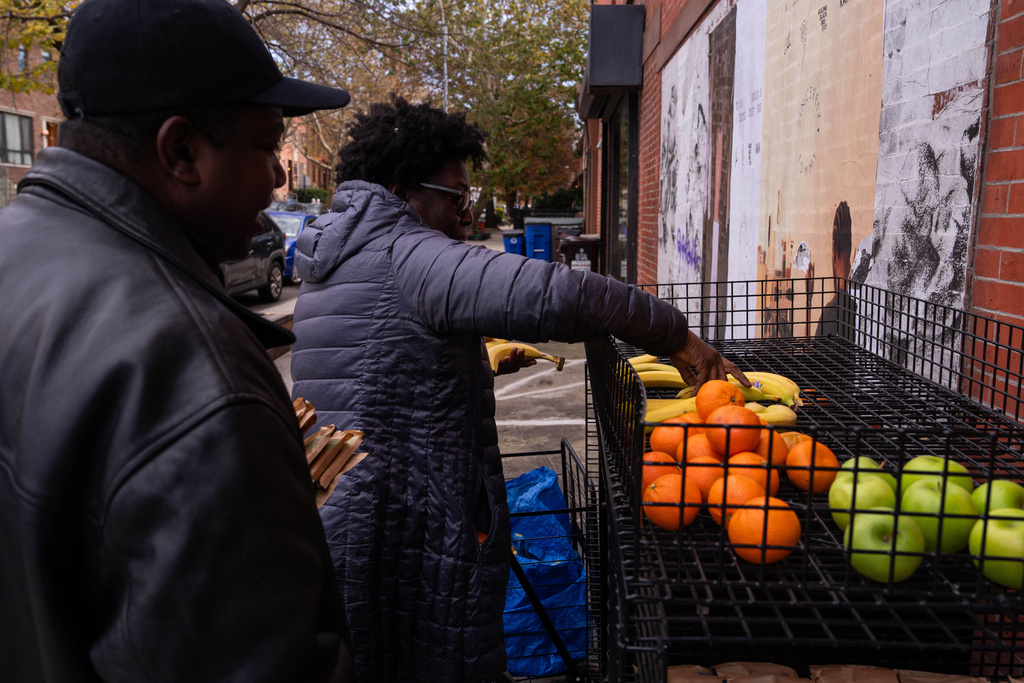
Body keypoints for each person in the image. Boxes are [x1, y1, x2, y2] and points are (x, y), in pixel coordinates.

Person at [289, 96, 748, 682]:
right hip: (409, 525)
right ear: (405, 191)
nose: (464, 215)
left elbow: (380, 357)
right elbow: (562, 294)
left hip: (351, 511)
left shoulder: (340, 254)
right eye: (457, 196)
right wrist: (678, 337)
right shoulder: (407, 252)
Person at [0, 0, 356, 680]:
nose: (280, 177)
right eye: (264, 144)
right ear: (182, 150)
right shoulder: (195, 376)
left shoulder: (17, 251)